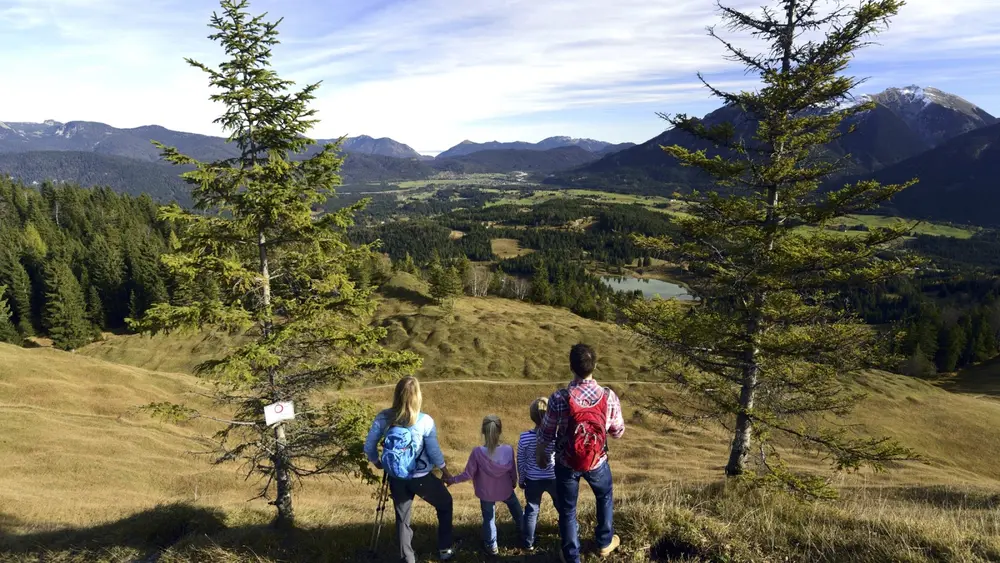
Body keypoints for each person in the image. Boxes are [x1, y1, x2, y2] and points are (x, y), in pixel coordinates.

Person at [537, 344, 625, 562]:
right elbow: (617, 432)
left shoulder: (559, 397)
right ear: (594, 365)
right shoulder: (608, 395)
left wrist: (541, 455)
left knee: (568, 509)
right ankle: (604, 543)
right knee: (604, 496)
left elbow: (546, 432)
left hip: (567, 461)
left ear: (571, 367)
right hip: (597, 460)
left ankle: (571, 555)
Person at [364, 376, 455, 562]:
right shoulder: (425, 421)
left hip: (396, 477)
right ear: (418, 396)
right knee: (445, 504)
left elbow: (368, 446)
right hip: (420, 477)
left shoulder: (384, 417)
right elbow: (434, 451)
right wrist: (445, 471)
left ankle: (408, 558)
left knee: (403, 519)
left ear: (397, 394)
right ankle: (445, 549)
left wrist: (378, 462)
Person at [446, 414, 524, 556]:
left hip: (486, 492)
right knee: (517, 512)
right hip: (506, 489)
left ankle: (492, 546)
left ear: (483, 431)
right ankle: (526, 535)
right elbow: (513, 471)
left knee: (489, 519)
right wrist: (513, 483)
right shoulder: (508, 450)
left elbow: (468, 474)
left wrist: (452, 480)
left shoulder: (477, 452)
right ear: (500, 431)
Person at [517, 397, 557, 552]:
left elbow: (521, 460)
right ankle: (572, 533)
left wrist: (521, 479)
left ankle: (528, 543)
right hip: (554, 477)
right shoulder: (555, 436)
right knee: (562, 507)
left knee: (532, 511)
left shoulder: (525, 437)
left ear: (532, 416)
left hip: (532, 480)